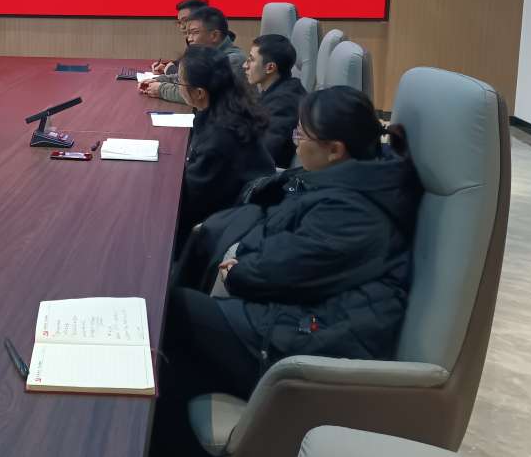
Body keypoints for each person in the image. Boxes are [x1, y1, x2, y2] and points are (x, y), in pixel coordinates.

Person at [153, 87, 422, 454]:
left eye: (301, 134)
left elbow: (271, 271)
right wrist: (247, 258)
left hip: (314, 340)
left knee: (169, 312)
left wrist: (241, 268)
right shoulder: (349, 182)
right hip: (301, 315)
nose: (296, 141)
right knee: (177, 351)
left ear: (334, 150)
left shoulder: (355, 213)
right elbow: (278, 241)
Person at [172, 44, 274, 248]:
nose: (178, 86)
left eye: (179, 82)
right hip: (237, 206)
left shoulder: (218, 137)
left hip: (227, 223)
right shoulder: (228, 106)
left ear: (199, 93)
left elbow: (188, 204)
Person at [141, 6, 246, 103]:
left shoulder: (233, 60)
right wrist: (158, 80)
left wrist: (161, 89)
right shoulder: (207, 55)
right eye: (188, 33)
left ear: (214, 35)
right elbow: (188, 79)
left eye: (194, 32)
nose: (189, 39)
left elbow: (199, 94)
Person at [243, 34, 307, 168]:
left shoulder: (284, 102)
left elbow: (265, 153)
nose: (245, 65)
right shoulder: (276, 91)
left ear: (270, 68)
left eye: (251, 60)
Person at [151, 0, 209, 75]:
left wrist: (170, 70)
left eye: (185, 20)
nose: (182, 27)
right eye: (179, 22)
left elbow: (196, 78)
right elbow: (188, 63)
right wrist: (166, 66)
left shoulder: (211, 44)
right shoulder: (192, 40)